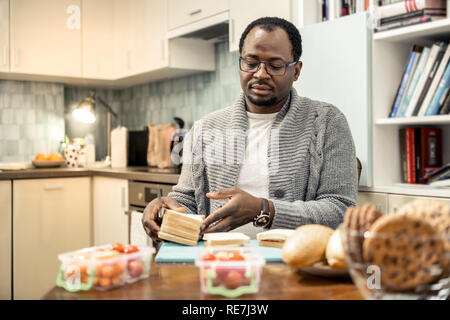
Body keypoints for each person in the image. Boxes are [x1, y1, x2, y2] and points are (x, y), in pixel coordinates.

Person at [142, 17, 358, 244]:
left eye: (275, 65)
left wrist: (264, 210)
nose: (261, 74)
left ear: (296, 71)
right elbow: (186, 200)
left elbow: (341, 210)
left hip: (296, 266)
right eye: (251, 63)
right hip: (220, 263)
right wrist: (163, 207)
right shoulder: (206, 128)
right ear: (239, 64)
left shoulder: (327, 122)